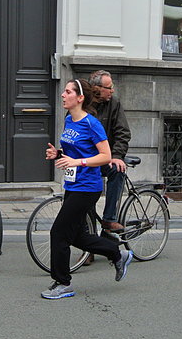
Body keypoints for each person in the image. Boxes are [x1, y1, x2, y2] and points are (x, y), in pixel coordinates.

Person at [41, 78, 133, 300]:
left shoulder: (92, 123)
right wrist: (60, 154)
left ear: (80, 98)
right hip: (73, 184)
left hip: (87, 187)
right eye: (64, 92)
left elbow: (105, 156)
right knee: (77, 236)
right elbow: (75, 151)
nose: (63, 95)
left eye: (68, 92)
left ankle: (63, 283)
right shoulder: (69, 120)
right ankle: (117, 253)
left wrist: (77, 163)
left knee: (58, 232)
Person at [80, 70, 131, 265]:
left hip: (107, 158)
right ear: (97, 89)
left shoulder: (114, 104)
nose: (112, 91)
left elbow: (122, 132)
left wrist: (116, 156)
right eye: (109, 88)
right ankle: (90, 247)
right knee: (86, 198)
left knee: (117, 171)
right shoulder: (84, 104)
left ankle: (109, 219)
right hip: (88, 160)